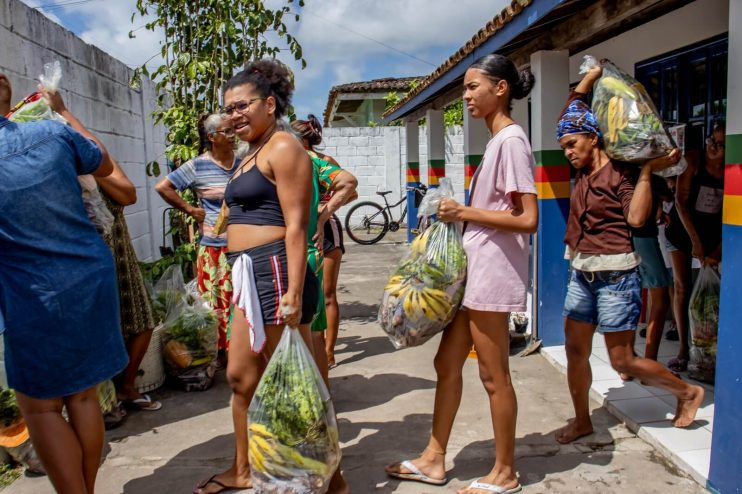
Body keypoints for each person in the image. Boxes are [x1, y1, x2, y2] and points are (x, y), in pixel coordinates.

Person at [386, 54, 539, 494]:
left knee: (494, 376)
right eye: (467, 87)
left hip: (493, 273)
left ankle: (505, 473)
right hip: (476, 272)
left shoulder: (511, 141)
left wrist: (464, 210)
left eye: (474, 86)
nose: (467, 95)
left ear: (501, 89)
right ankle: (434, 458)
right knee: (446, 362)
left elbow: (529, 218)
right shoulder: (495, 141)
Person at [554, 64, 705, 445]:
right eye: (564, 147)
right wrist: (590, 77)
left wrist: (648, 170)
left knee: (622, 361)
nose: (568, 153)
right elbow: (572, 108)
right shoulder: (582, 169)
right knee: (575, 351)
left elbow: (637, 219)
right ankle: (582, 420)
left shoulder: (622, 172)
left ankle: (686, 393)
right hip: (581, 272)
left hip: (617, 277)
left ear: (593, 138)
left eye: (573, 144)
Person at [194, 60, 318, 494]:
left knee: (292, 385)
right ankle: (244, 470)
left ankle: (327, 478)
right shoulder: (252, 154)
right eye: (228, 109)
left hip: (274, 270)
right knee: (240, 377)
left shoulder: (284, 147)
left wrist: (294, 292)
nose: (234, 115)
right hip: (246, 272)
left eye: (242, 105)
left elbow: (298, 226)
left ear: (270, 104)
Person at [0, 74, 128, 493]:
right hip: (88, 274)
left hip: (33, 292)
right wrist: (60, 111)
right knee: (83, 397)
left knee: (40, 409)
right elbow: (104, 163)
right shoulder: (53, 132)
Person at [156, 113, 239, 356]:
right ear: (212, 137)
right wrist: (191, 210)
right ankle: (220, 350)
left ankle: (241, 348)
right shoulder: (198, 165)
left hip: (245, 245)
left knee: (241, 300)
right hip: (214, 247)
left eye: (234, 129)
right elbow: (163, 187)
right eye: (228, 131)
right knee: (215, 303)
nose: (233, 135)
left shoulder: (244, 160)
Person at [291, 115, 358, 370]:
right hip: (304, 233)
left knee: (328, 293)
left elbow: (352, 191)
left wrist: (324, 210)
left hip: (327, 230)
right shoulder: (290, 163)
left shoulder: (323, 161)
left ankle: (329, 352)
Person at [664, 122, 725, 372]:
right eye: (711, 140)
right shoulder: (693, 160)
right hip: (681, 231)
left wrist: (718, 247)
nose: (712, 147)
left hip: (712, 234)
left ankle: (708, 347)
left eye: (720, 144)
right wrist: (695, 243)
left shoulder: (733, 170)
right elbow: (680, 201)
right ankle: (682, 349)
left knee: (712, 294)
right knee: (682, 285)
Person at [100, 180, 162, 412]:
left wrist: (93, 166)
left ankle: (126, 386)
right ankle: (102, 401)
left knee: (142, 321)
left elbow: (128, 195)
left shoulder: (95, 156)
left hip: (119, 251)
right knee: (96, 330)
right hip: (83, 257)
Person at [630, 176, 673, 363]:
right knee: (661, 298)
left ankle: (628, 360)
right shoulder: (653, 179)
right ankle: (650, 362)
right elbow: (668, 197)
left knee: (628, 299)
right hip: (645, 239)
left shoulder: (621, 175)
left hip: (623, 241)